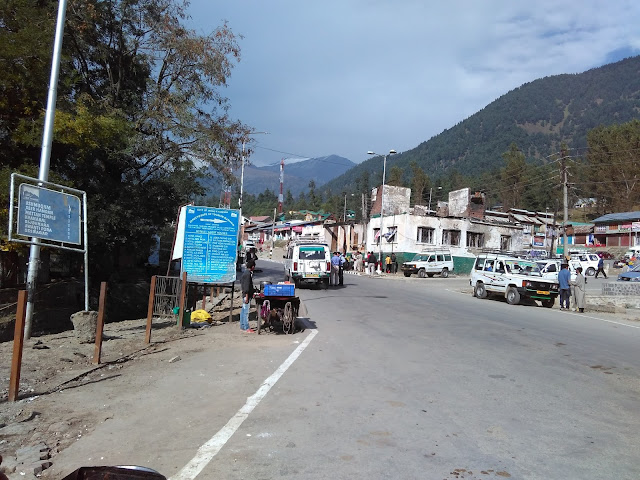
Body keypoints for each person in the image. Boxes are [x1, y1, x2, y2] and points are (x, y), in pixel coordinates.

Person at [240, 259, 256, 332]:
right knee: (246, 312)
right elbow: (246, 286)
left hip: (244, 294)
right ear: (252, 267)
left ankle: (242, 326)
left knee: (243, 311)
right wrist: (247, 296)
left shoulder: (245, 273)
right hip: (246, 295)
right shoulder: (248, 274)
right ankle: (246, 327)